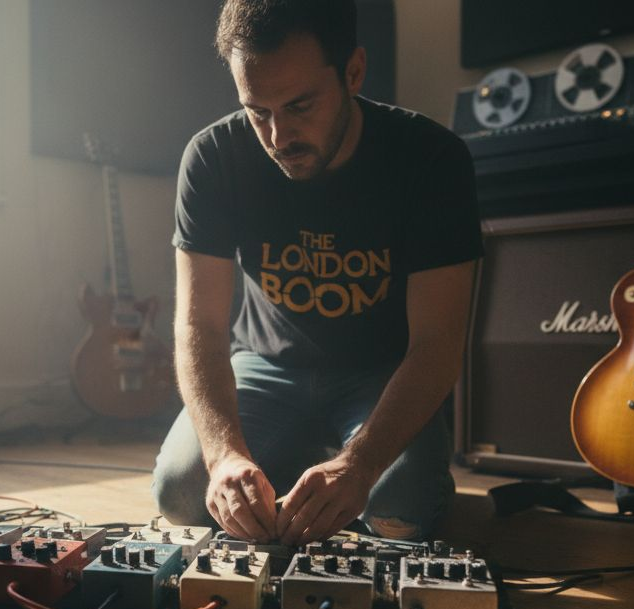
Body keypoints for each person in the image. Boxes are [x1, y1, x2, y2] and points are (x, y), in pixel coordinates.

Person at [151, 0, 483, 545]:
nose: (279, 136)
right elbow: (199, 328)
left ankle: (331, 468)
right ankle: (296, 464)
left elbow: (438, 343)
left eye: (300, 105)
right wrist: (225, 454)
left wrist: (361, 464)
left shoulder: (432, 159)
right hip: (265, 366)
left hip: (383, 375)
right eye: (258, 110)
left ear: (353, 72)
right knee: (181, 494)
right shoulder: (213, 157)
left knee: (399, 516)